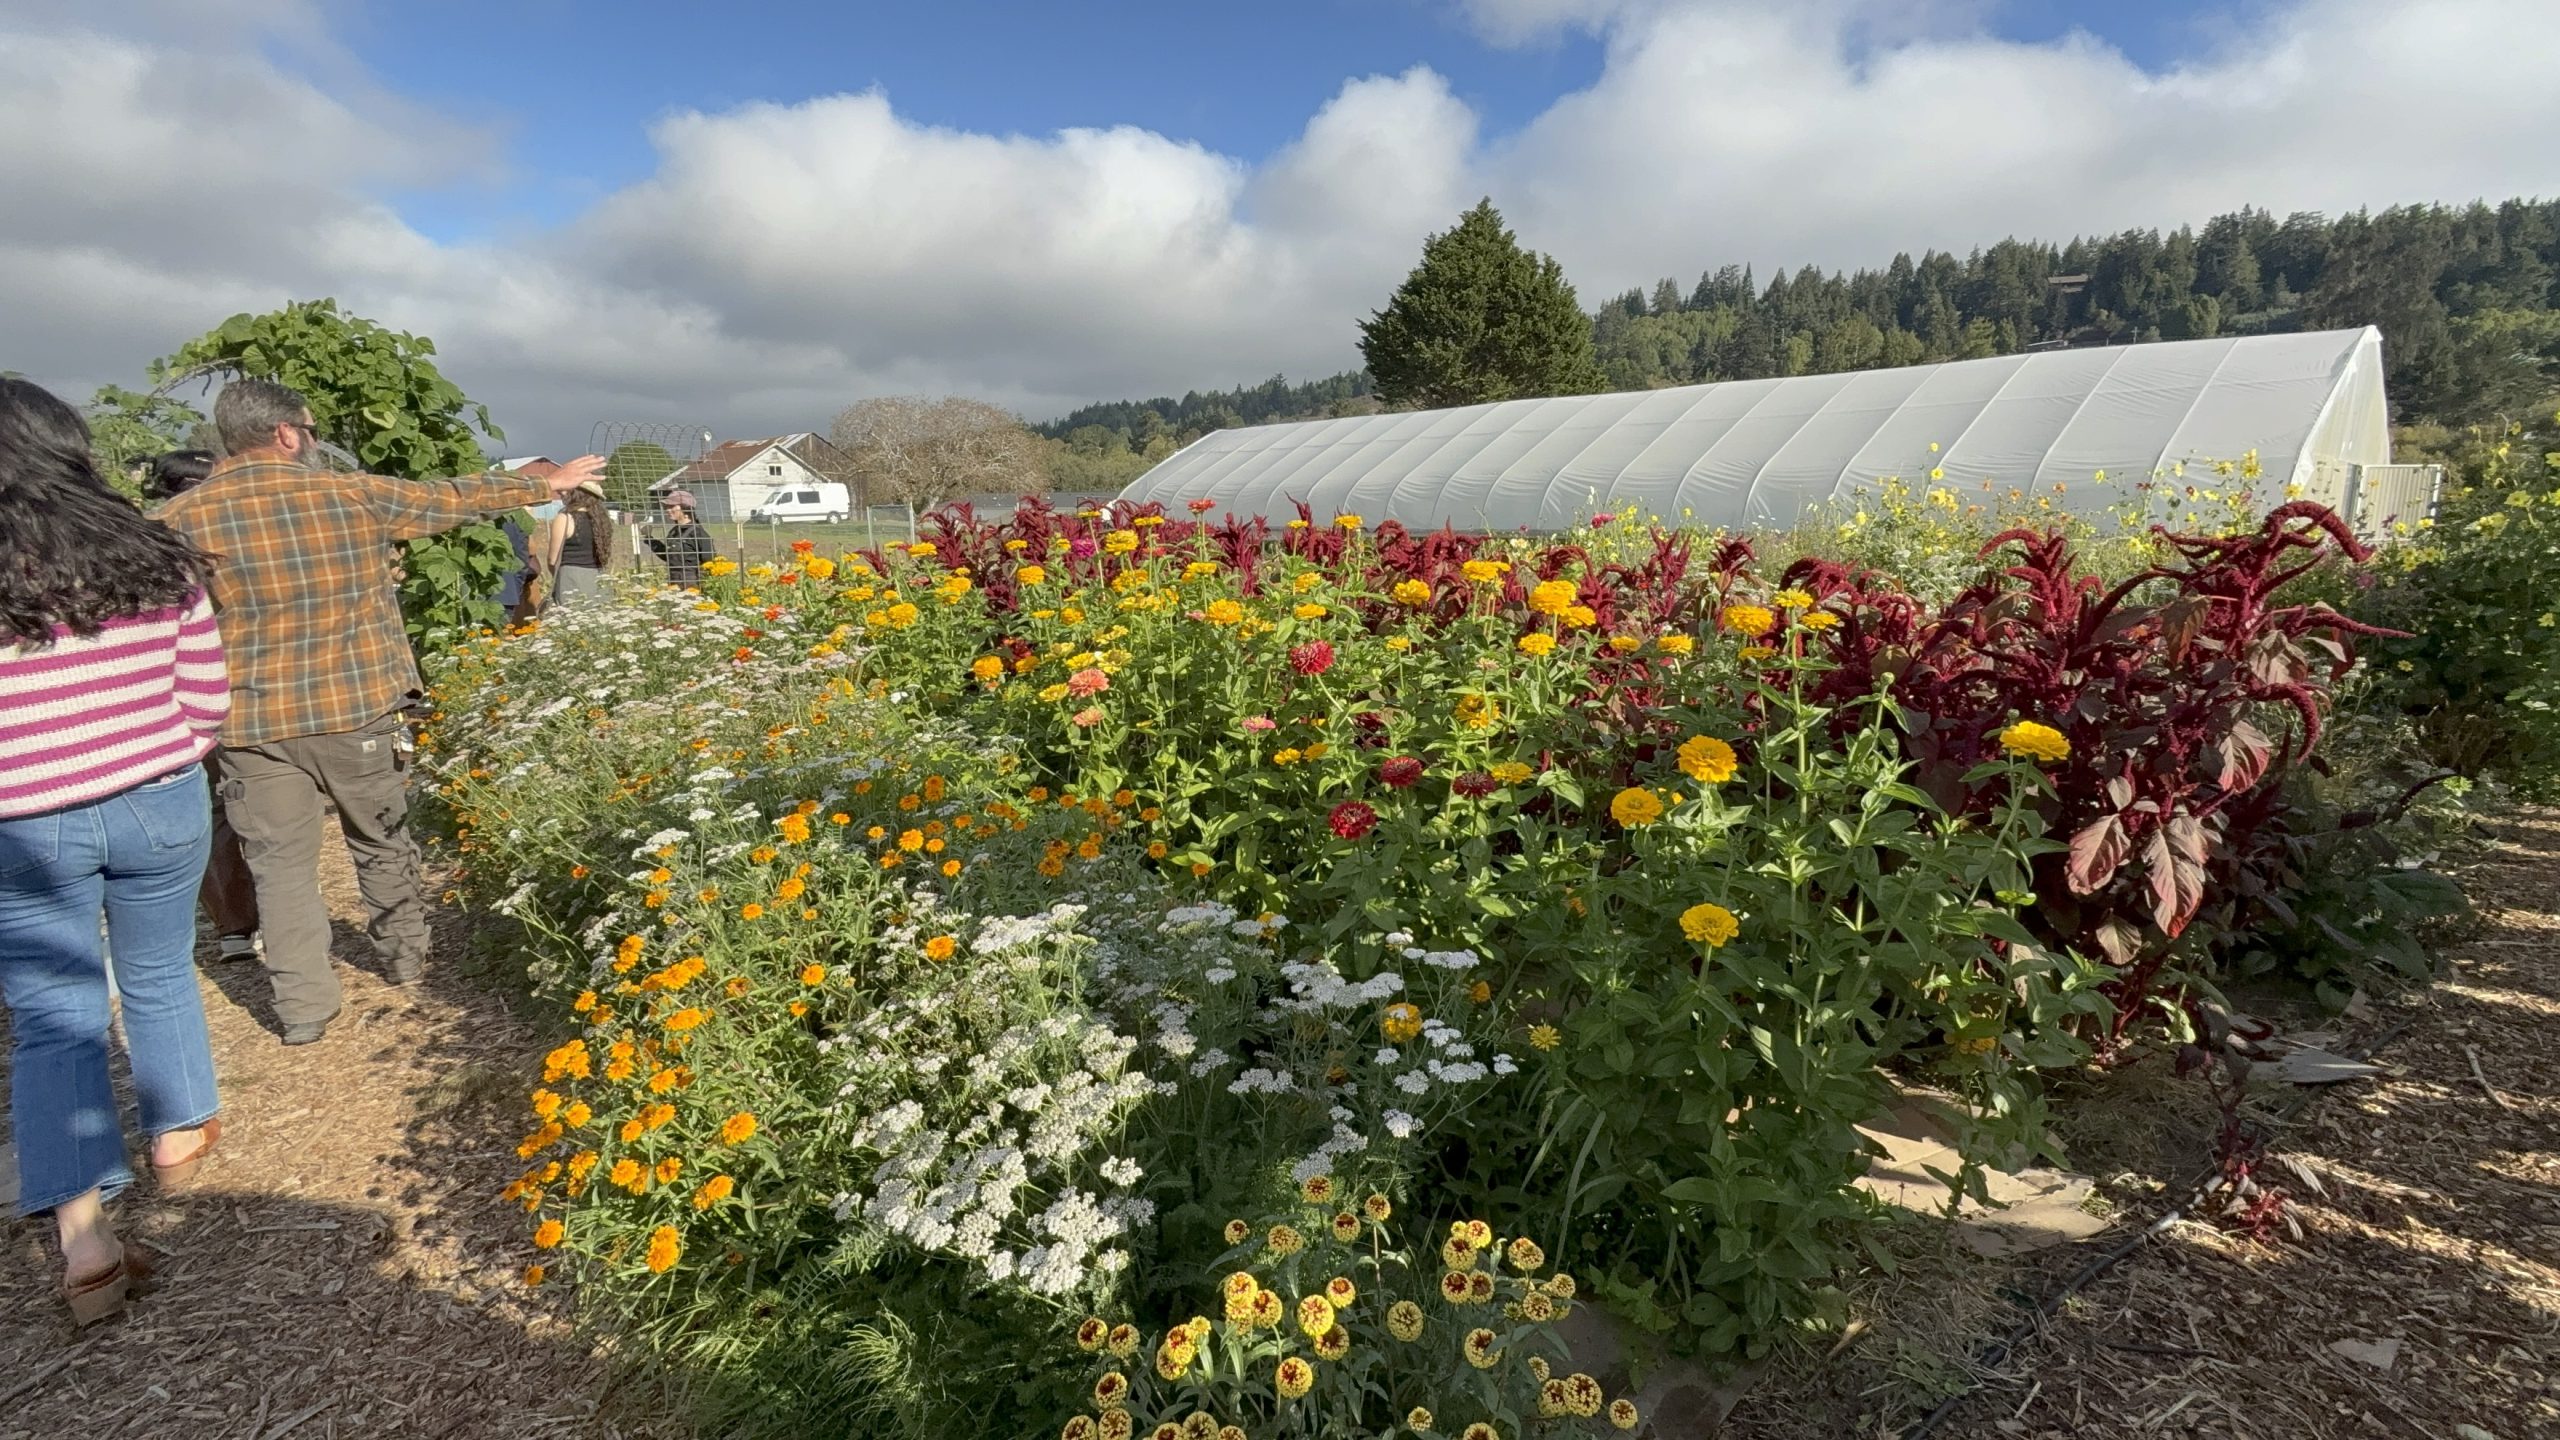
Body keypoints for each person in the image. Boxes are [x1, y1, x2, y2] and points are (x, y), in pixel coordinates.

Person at [157, 378, 603, 1044]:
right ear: (285, 433)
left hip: (251, 722)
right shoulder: (350, 494)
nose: (312, 440)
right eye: (308, 430)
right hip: (354, 703)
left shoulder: (180, 520)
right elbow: (451, 497)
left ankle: (303, 1009)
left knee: (278, 865)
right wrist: (546, 484)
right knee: (381, 836)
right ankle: (403, 956)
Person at [0, 379, 229, 1326]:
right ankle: (177, 1139)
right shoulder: (154, 553)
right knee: (162, 970)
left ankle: (86, 1236)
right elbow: (207, 693)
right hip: (161, 794)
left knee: (55, 1016)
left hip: (25, 819)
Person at [141, 452, 263, 963]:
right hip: (229, 691)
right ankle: (278, 919)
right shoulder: (223, 537)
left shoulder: (143, 544)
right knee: (254, 806)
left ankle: (234, 926)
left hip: (172, 699)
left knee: (211, 813)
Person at [543, 479, 615, 604]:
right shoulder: (602, 520)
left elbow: (552, 560)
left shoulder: (565, 519)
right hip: (598, 577)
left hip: (571, 578)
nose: (562, 493)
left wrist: (558, 577)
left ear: (576, 493)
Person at [644, 489, 716, 588]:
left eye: (671, 506)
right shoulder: (674, 532)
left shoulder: (699, 534)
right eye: (666, 507)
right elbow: (667, 556)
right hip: (674, 583)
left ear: (685, 508)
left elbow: (709, 562)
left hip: (693, 586)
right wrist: (649, 538)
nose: (667, 510)